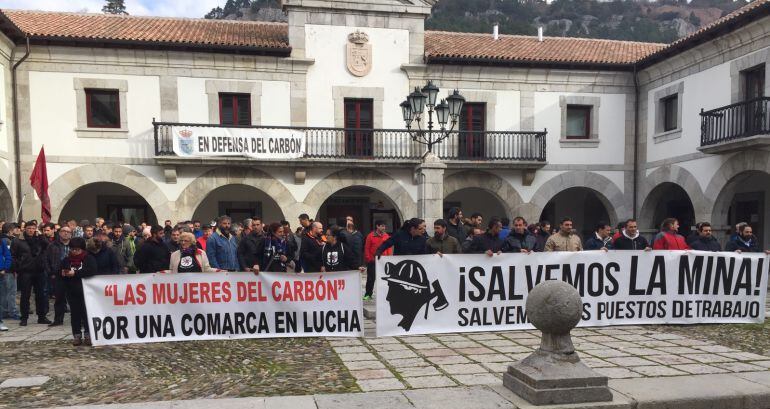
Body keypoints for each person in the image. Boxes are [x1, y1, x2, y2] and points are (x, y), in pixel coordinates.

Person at [12, 222, 51, 326]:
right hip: (25, 272)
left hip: (39, 271)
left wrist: (41, 235)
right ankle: (24, 317)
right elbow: (13, 255)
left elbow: (48, 245)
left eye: (33, 228)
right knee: (25, 295)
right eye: (29, 228)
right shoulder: (18, 240)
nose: (31, 230)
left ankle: (41, 317)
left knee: (41, 295)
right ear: (25, 229)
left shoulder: (39, 239)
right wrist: (18, 267)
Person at [60, 237, 96, 346]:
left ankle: (88, 334)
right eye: (73, 249)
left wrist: (75, 274)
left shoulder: (88, 258)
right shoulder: (67, 259)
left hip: (86, 290)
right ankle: (76, 335)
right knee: (75, 314)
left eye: (77, 250)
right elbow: (62, 269)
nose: (75, 252)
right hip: (72, 290)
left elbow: (91, 270)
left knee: (86, 313)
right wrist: (64, 272)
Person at [43, 225, 73, 326]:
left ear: (71, 234)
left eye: (68, 232)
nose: (65, 233)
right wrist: (50, 272)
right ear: (59, 233)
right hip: (57, 275)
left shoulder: (74, 246)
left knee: (74, 299)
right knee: (59, 299)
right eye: (63, 231)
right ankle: (58, 320)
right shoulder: (52, 245)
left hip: (72, 275)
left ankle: (77, 319)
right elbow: (46, 260)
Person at [363, 220, 391, 300]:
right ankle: (368, 294)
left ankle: (384, 295)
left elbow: (389, 248)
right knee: (371, 279)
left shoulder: (386, 236)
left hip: (383, 261)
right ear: (377, 226)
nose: (383, 228)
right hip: (373, 261)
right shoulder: (370, 236)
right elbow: (367, 248)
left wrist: (389, 258)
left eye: (384, 226)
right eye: (382, 226)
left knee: (384, 279)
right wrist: (368, 258)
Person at [1, 223, 19, 321]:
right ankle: (12, 312)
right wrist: (12, 268)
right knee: (11, 292)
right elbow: (9, 256)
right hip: (8, 270)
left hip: (4, 269)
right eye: (14, 229)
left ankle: (4, 311)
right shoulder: (7, 241)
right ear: (10, 230)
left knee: (4, 292)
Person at [0, 222, 10, 331]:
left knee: (1, 299)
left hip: (0, 273)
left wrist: (5, 268)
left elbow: (7, 255)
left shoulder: (2, 241)